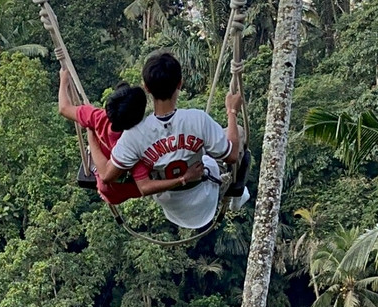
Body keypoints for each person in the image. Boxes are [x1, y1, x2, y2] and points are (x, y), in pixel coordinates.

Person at [102, 51, 251, 230]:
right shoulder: (198, 119)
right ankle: (237, 194)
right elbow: (232, 156)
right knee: (237, 133)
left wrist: (92, 140)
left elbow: (107, 176)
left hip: (173, 207)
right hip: (205, 198)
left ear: (146, 88)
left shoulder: (134, 134)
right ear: (180, 83)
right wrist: (231, 112)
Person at [56, 69, 204, 205]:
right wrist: (183, 179)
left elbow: (63, 108)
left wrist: (63, 81)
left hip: (108, 189)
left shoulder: (98, 117)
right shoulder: (134, 145)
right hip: (120, 191)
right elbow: (144, 187)